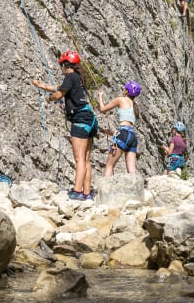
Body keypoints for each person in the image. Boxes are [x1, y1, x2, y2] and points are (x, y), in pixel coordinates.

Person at [32, 50, 97, 200]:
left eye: (61, 65)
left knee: (79, 159)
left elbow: (58, 94)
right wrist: (40, 85)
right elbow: (59, 88)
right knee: (86, 159)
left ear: (65, 64)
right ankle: (87, 193)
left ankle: (77, 192)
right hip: (89, 118)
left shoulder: (70, 76)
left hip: (80, 120)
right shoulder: (77, 78)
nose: (60, 68)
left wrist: (49, 99)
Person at [98, 81, 141, 176]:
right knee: (132, 173)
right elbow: (127, 127)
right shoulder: (135, 106)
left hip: (122, 134)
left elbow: (102, 109)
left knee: (109, 166)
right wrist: (113, 133)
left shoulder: (121, 99)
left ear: (126, 91)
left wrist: (100, 96)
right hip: (132, 137)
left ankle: (106, 190)